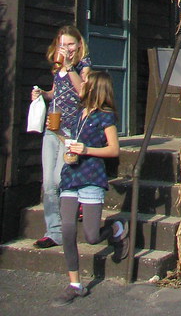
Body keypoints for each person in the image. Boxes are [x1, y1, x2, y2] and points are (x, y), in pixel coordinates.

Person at [56, 69, 129, 303]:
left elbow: (114, 149)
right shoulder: (80, 113)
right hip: (71, 174)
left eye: (86, 81)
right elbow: (73, 142)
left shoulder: (105, 116)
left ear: (96, 88)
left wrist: (87, 150)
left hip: (91, 176)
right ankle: (75, 283)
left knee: (91, 236)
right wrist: (57, 133)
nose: (82, 83)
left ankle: (117, 229)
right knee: (67, 229)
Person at [30, 26, 91, 249]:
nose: (66, 49)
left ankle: (76, 211)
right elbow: (56, 92)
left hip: (70, 131)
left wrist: (69, 67)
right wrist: (42, 94)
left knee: (58, 179)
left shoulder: (84, 66)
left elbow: (83, 91)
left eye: (70, 44)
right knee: (48, 183)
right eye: (62, 45)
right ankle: (53, 231)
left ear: (78, 45)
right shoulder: (57, 68)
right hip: (52, 128)